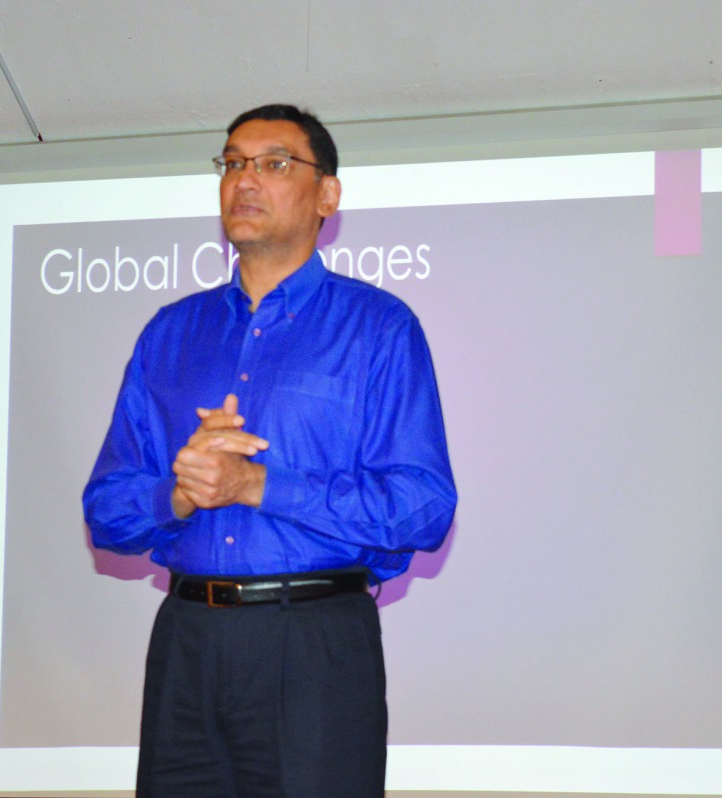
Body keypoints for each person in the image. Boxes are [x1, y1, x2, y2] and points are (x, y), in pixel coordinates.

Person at [83, 104, 456, 798]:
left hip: (314, 644)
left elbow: (423, 508)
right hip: (187, 641)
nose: (244, 180)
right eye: (231, 163)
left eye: (274, 163)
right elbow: (106, 510)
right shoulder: (169, 333)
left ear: (328, 195)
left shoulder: (379, 328)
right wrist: (181, 494)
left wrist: (259, 485)